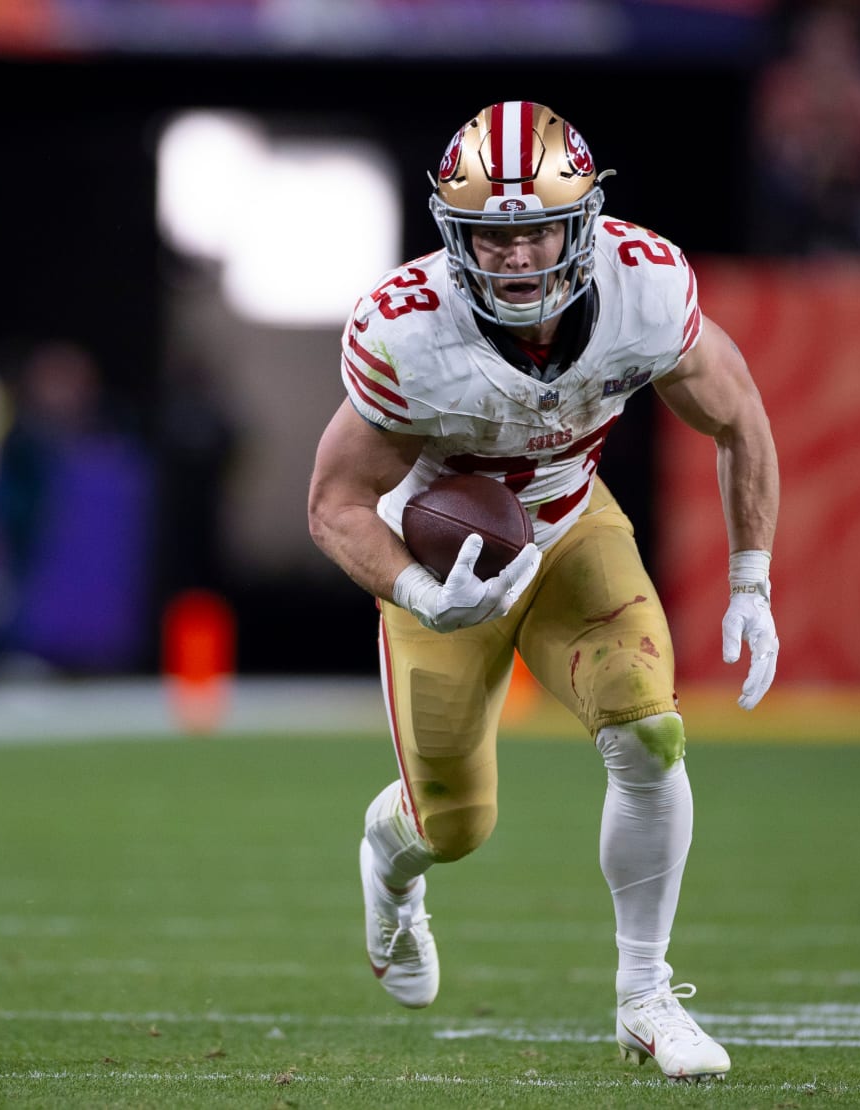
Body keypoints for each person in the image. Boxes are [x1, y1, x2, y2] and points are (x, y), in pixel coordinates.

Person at [307, 101, 781, 1082]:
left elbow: (738, 413)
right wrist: (419, 592)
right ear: (453, 234)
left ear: (584, 224)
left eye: (535, 231)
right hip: (449, 564)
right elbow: (335, 502)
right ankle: (387, 864)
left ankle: (646, 999)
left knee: (651, 734)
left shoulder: (644, 287)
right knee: (456, 826)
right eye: (493, 235)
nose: (517, 257)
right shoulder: (408, 332)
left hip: (571, 528)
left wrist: (751, 577)